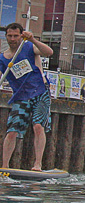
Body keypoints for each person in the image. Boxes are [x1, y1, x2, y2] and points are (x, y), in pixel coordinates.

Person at [1, 23, 55, 171]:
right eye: (10, 36)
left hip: (40, 92)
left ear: (21, 35)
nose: (12, 39)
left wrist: (33, 40)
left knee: (38, 126)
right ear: (6, 37)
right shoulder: (3, 59)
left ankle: (38, 164)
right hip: (21, 96)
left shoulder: (29, 47)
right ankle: (5, 166)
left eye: (16, 35)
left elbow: (48, 52)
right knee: (12, 130)